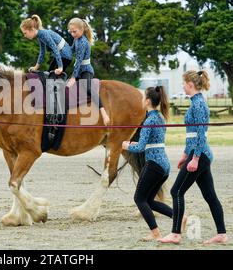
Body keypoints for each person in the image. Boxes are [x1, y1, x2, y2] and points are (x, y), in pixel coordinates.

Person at [159, 70, 228, 245]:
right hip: (199, 153)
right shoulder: (195, 103)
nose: (183, 86)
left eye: (184, 83)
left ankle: (175, 234)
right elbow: (192, 135)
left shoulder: (198, 105)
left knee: (177, 191)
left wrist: (195, 158)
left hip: (201, 155)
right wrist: (185, 155)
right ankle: (221, 234)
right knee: (210, 195)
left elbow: (201, 135)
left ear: (190, 84)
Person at [122, 86, 176, 241]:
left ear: (147, 101)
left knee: (139, 199)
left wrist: (126, 145)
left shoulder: (149, 120)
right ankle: (180, 217)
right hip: (164, 165)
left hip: (154, 164)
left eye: (142, 98)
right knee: (149, 200)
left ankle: (155, 233)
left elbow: (140, 147)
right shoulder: (159, 117)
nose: (141, 100)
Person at [66, 18, 110, 125]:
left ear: (81, 29)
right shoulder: (76, 39)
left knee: (88, 88)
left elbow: (79, 61)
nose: (72, 34)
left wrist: (73, 78)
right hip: (78, 70)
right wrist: (61, 48)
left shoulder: (83, 43)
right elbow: (71, 50)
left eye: (74, 31)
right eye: (70, 32)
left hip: (86, 70)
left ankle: (103, 112)